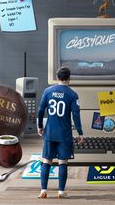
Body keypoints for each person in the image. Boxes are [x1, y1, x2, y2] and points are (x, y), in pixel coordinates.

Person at [37, 67, 84, 199]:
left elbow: (41, 110)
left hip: (50, 133)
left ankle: (43, 190)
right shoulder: (73, 95)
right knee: (63, 162)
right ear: (69, 78)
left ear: (57, 78)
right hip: (64, 135)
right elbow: (76, 115)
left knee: (46, 161)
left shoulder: (47, 91)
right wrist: (80, 133)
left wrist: (40, 126)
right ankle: (61, 192)